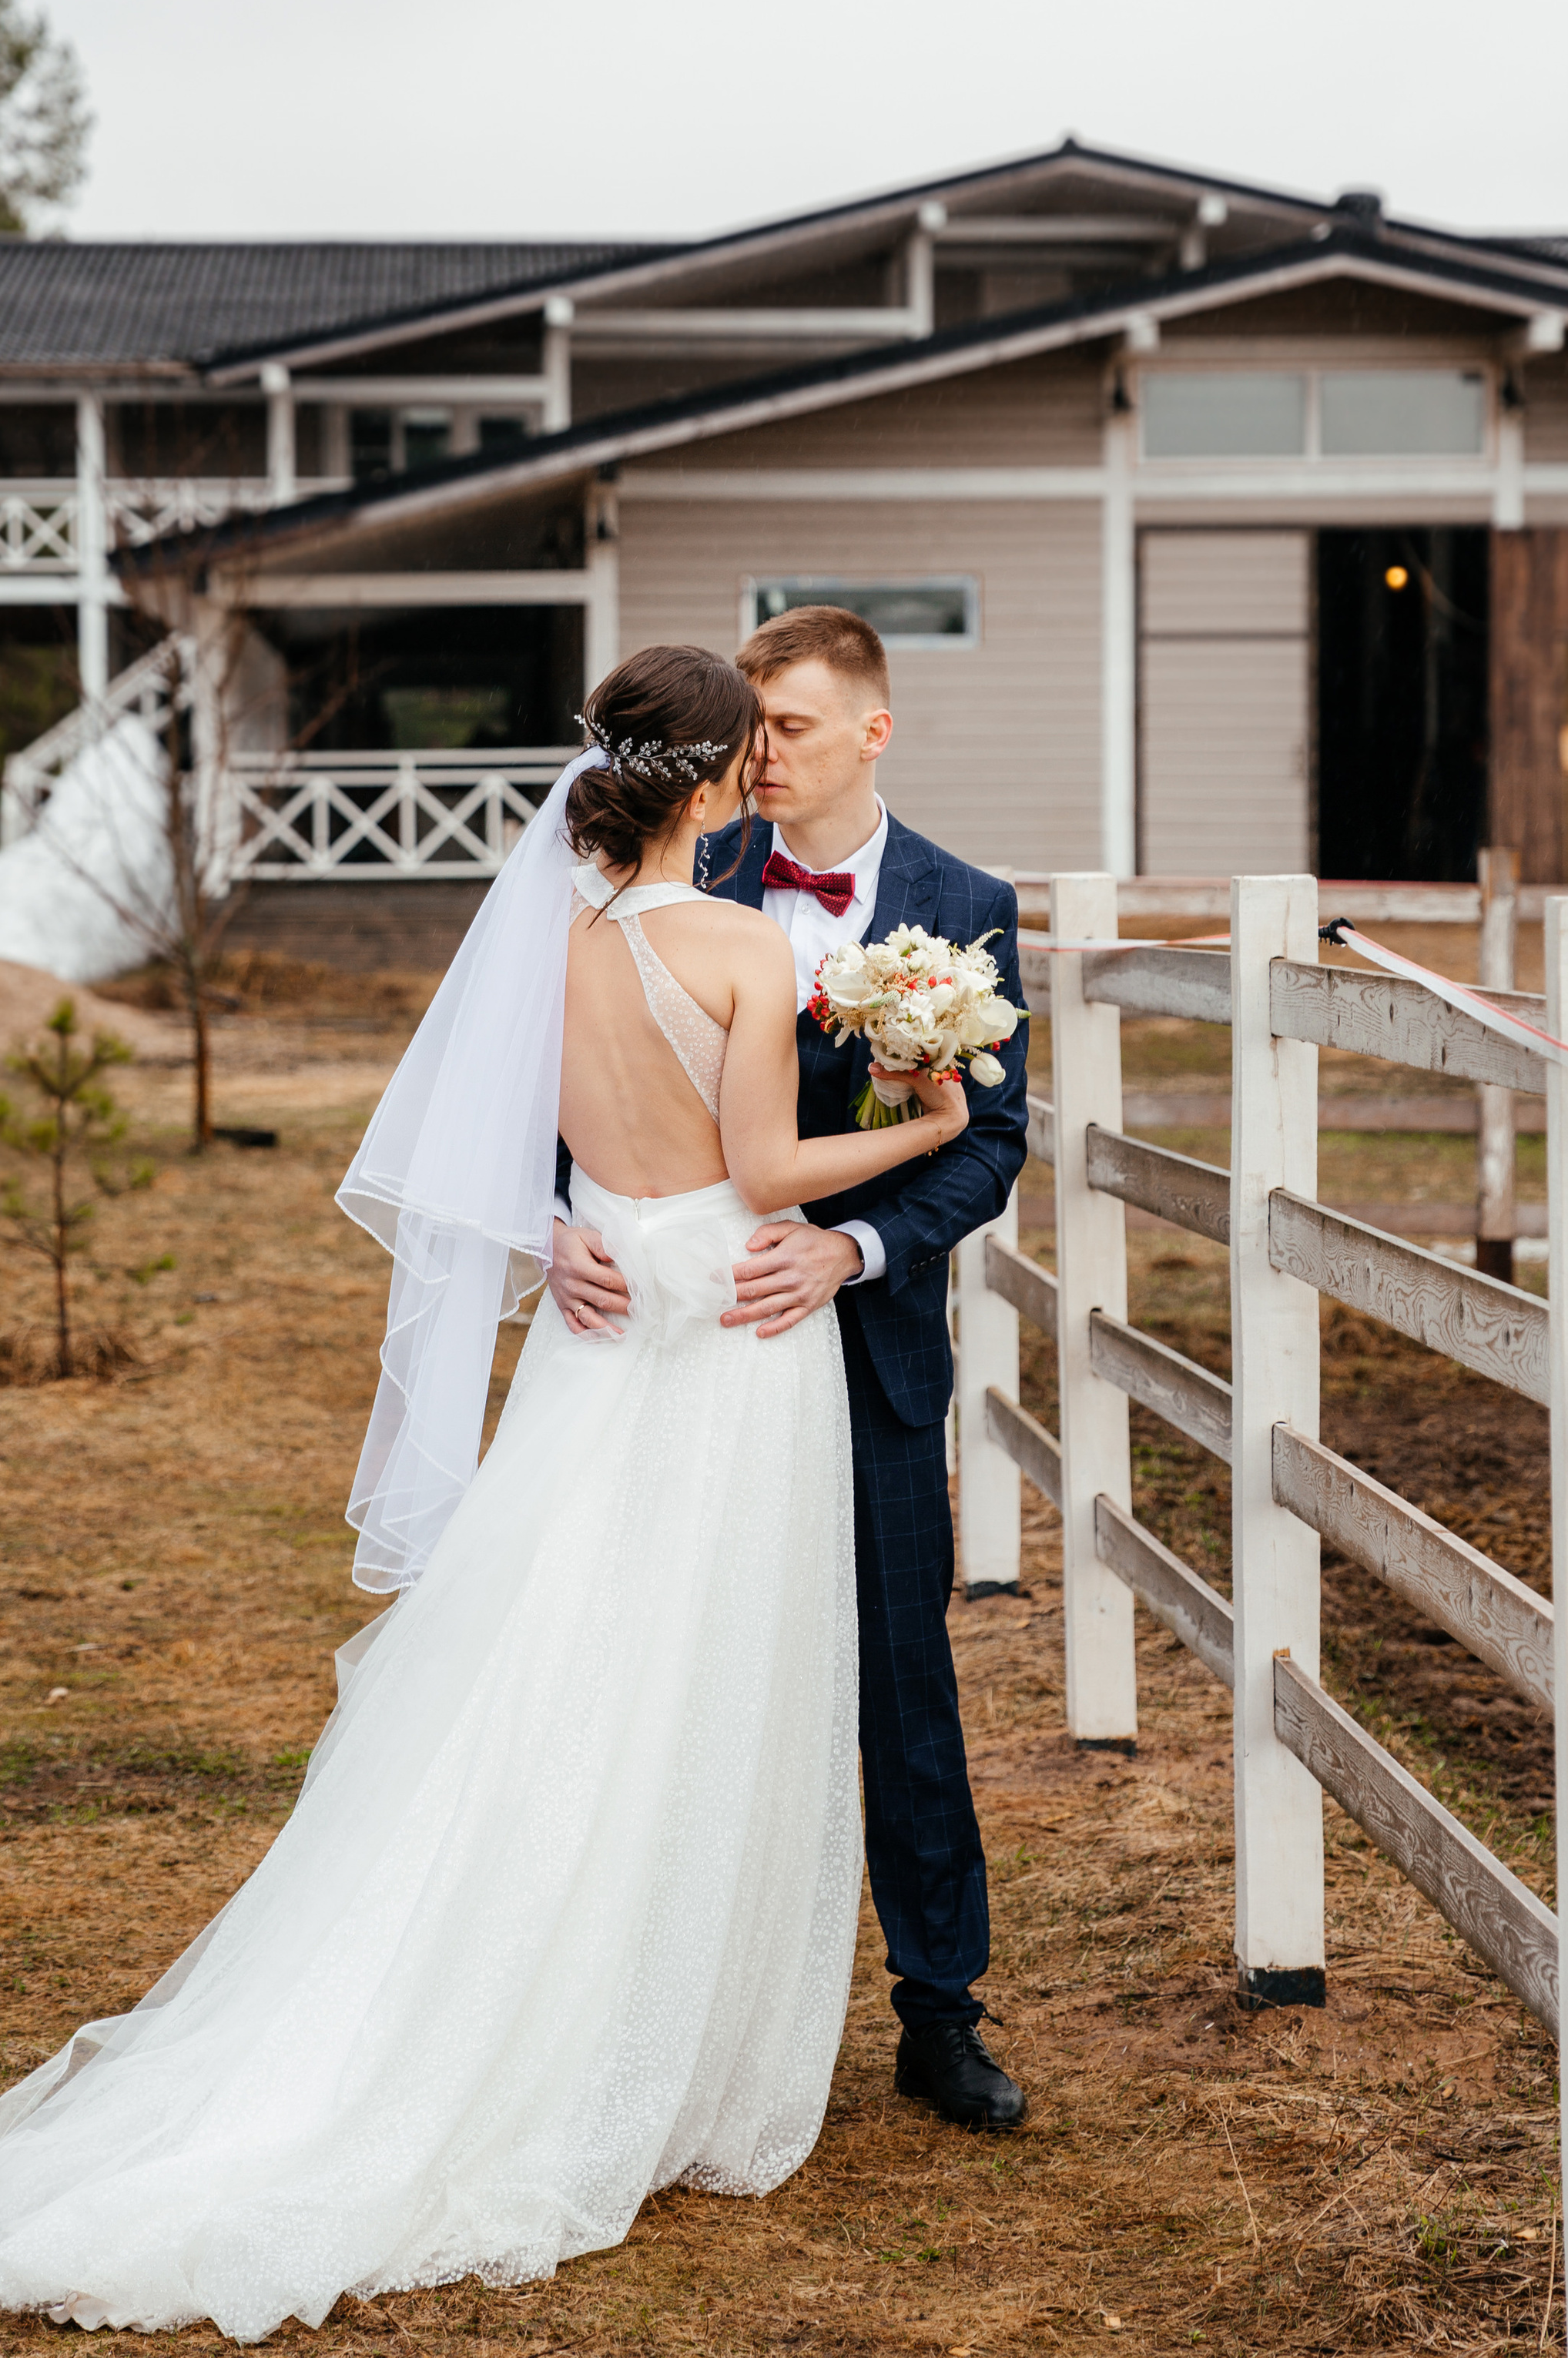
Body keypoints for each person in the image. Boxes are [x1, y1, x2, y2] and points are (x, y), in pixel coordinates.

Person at [0, 643, 970, 2345]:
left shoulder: (560, 944)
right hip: (724, 1335)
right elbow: (762, 1172)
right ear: (722, 776)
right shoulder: (736, 943)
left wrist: (565, 1229)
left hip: (600, 1343)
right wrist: (923, 1118)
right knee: (699, 1678)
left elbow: (523, 1155)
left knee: (557, 1668)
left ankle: (543, 1996)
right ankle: (622, 2045)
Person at [552, 606, 1030, 2131]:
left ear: (871, 732)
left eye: (795, 727)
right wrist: (543, 1223)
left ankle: (937, 2013)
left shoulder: (964, 901)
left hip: (862, 1348)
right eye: (746, 725)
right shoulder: (680, 881)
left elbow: (993, 1141)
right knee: (666, 1669)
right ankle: (663, 1999)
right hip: (684, 1345)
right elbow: (555, 1090)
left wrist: (855, 1251)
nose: (761, 753)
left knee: (900, 1686)